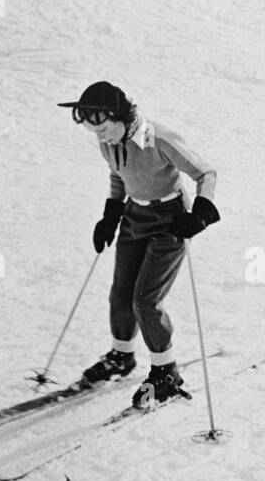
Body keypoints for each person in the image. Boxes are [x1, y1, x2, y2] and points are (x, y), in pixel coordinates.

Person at [58, 81, 220, 407]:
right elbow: (119, 174)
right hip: (135, 217)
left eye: (103, 128)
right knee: (120, 292)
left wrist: (200, 215)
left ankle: (166, 373)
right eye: (93, 131)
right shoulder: (108, 143)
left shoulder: (152, 137)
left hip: (170, 220)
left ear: (120, 116)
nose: (100, 137)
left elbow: (206, 173)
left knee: (145, 299)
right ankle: (122, 356)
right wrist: (111, 214)